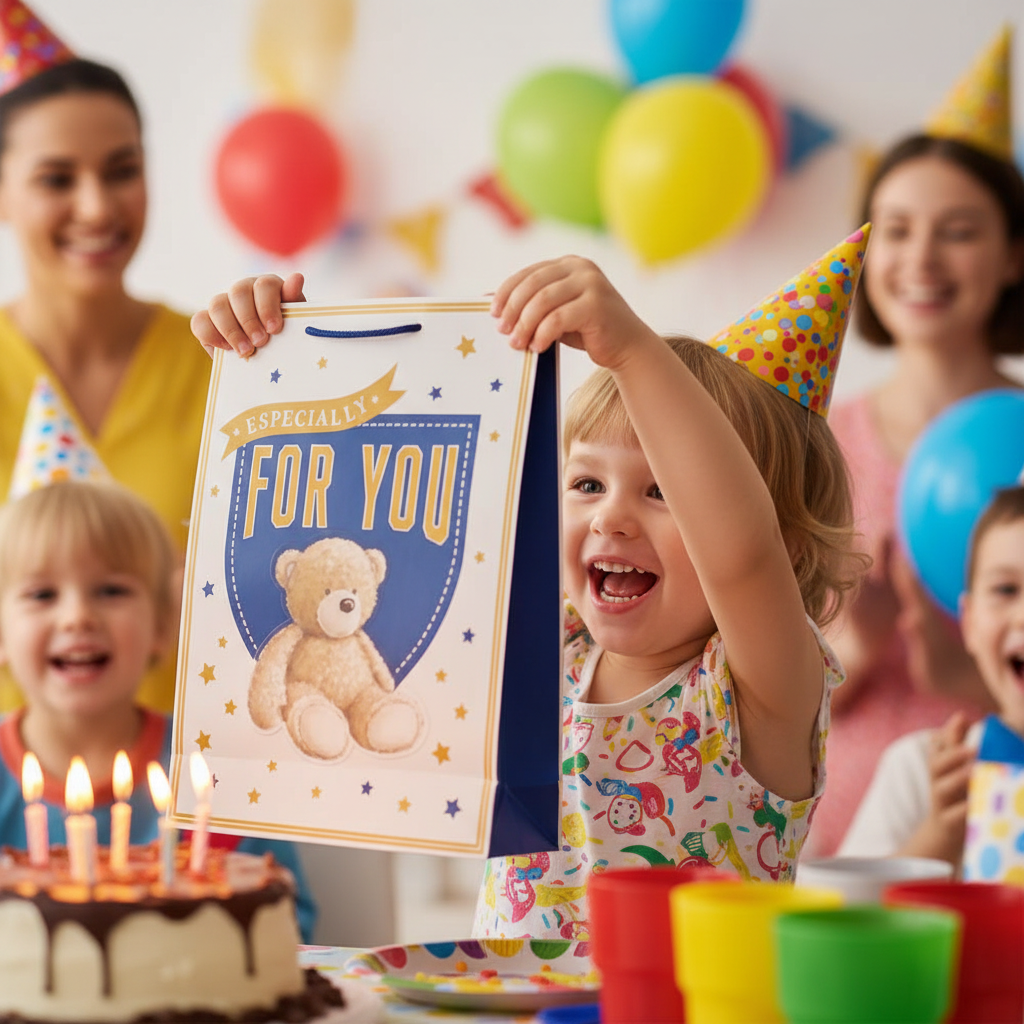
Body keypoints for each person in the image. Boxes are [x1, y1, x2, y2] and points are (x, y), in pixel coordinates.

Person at [191, 230, 867, 938]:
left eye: (663, 491)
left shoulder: (761, 687)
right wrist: (284, 355)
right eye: (587, 483)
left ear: (787, 540)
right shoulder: (541, 649)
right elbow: (373, 534)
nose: (612, 516)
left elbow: (741, 554)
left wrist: (634, 352)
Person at [814, 129, 1024, 855]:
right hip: (838, 854)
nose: (922, 259)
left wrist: (970, 672)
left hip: (999, 832)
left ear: (1013, 254)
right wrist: (856, 650)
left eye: (959, 231)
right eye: (896, 230)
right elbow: (735, 708)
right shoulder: (814, 448)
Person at [0, 6, 212, 716]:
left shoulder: (227, 365)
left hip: (190, 795)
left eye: (121, 170)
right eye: (57, 179)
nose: (96, 206)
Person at [0, 480, 316, 941]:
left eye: (111, 590)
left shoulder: (212, 774)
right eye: (42, 595)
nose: (77, 617)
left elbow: (287, 921)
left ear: (163, 624)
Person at [841, 486, 1024, 868]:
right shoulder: (920, 770)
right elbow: (850, 913)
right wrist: (940, 834)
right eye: (1006, 589)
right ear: (970, 622)